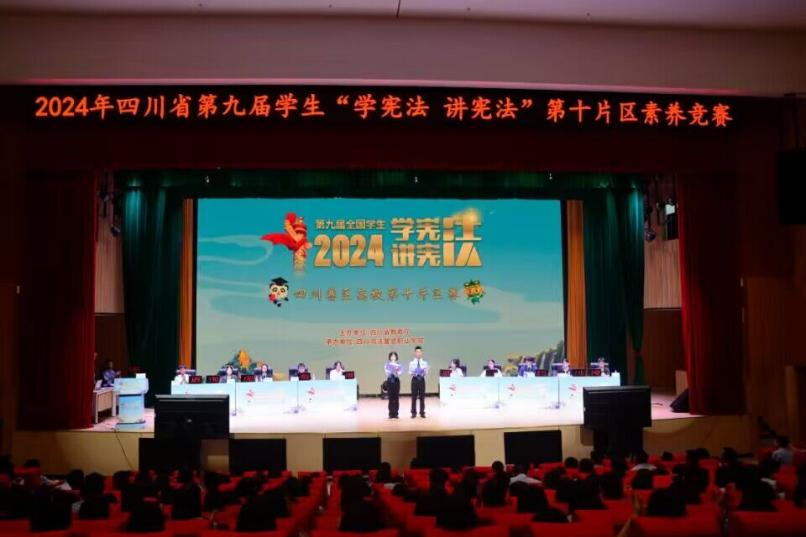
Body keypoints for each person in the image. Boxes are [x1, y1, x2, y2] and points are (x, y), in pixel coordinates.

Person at [409, 346, 428, 418]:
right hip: (414, 380)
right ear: (415, 353)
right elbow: (409, 372)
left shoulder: (424, 362)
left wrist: (424, 372)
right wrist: (413, 372)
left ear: (421, 353)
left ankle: (422, 412)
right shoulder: (411, 362)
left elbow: (426, 373)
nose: (418, 353)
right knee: (413, 397)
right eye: (417, 352)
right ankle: (413, 412)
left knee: (422, 397)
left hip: (422, 380)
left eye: (420, 352)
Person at [385, 351, 402, 419]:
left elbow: (399, 373)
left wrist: (396, 371)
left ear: (396, 357)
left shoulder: (399, 365)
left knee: (396, 398)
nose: (393, 357)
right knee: (390, 398)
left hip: (396, 381)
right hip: (390, 381)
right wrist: (391, 371)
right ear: (390, 357)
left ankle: (396, 413)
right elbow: (387, 373)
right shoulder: (387, 364)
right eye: (392, 356)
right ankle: (390, 413)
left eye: (394, 356)